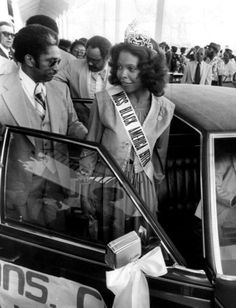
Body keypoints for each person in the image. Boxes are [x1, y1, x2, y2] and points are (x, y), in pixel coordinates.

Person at [79, 24, 175, 240]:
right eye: (120, 67)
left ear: (149, 70)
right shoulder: (104, 100)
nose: (122, 74)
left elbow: (159, 158)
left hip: (143, 186)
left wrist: (154, 192)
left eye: (131, 68)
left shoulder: (165, 109)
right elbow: (90, 148)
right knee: (109, 240)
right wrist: (83, 189)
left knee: (138, 242)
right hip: (107, 182)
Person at [0, 24, 87, 228]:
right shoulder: (2, 92)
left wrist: (96, 139)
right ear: (30, 59)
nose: (57, 68)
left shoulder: (60, 89)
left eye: (59, 61)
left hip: (58, 190)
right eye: (52, 61)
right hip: (18, 195)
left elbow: (72, 124)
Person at [54, 35, 112, 127]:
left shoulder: (117, 71)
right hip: (83, 123)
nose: (89, 62)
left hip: (109, 124)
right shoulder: (74, 65)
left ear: (107, 57)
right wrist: (66, 95)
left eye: (95, 60)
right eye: (88, 57)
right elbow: (54, 80)